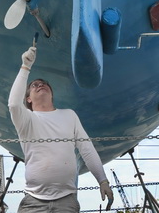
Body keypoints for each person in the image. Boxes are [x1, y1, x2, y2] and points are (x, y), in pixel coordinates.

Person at [8, 43, 113, 212]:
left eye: (44, 84)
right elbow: (13, 104)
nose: (40, 85)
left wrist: (103, 180)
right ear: (28, 99)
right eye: (34, 85)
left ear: (51, 93)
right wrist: (26, 66)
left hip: (67, 200)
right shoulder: (26, 120)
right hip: (33, 201)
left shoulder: (69, 115)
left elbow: (86, 149)